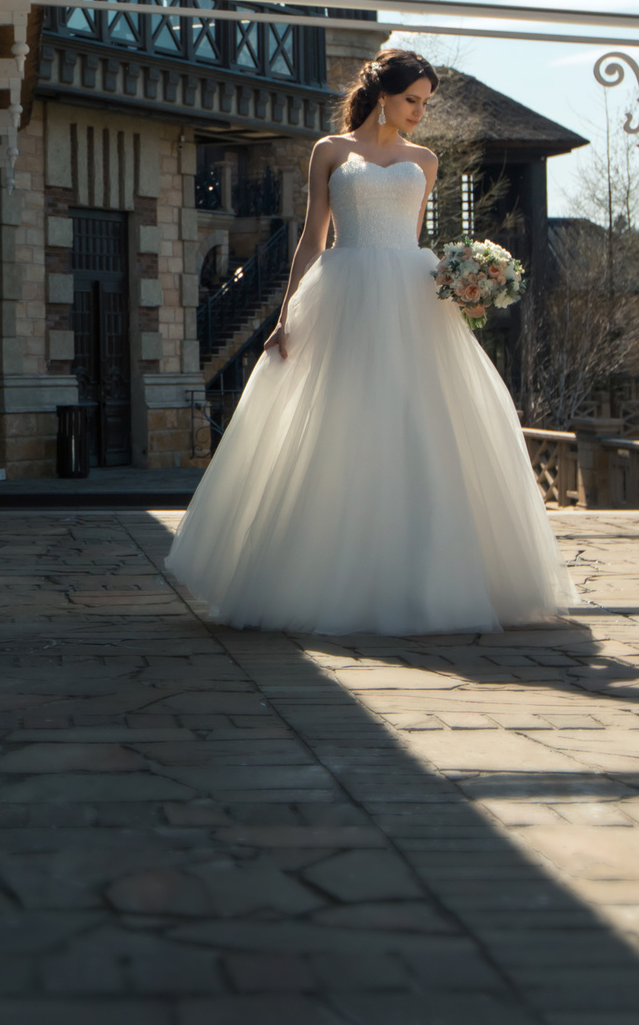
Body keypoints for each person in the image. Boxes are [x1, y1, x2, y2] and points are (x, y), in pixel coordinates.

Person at [165, 47, 576, 636]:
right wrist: (284, 317)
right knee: (343, 425)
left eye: (426, 103)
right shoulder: (330, 152)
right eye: (413, 100)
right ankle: (329, 575)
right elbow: (312, 239)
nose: (419, 113)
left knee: (421, 426)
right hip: (345, 293)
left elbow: (411, 239)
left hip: (411, 297)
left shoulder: (426, 161)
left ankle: (427, 577)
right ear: (384, 95)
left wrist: (467, 284)